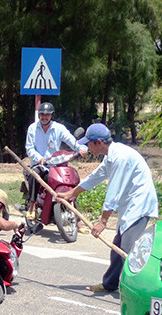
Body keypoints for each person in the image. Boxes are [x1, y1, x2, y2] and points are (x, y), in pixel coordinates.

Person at [57, 123, 158, 292]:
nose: (87, 147)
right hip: (130, 205)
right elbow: (95, 177)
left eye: (88, 143)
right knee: (117, 246)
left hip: (140, 205)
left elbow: (114, 191)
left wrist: (103, 222)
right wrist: (71, 193)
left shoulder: (120, 157)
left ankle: (138, 290)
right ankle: (110, 284)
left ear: (98, 142)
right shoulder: (111, 156)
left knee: (127, 249)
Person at [25, 102, 88, 221]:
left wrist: (80, 149)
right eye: (42, 114)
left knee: (71, 180)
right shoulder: (33, 128)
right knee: (35, 175)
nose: (44, 117)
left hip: (55, 165)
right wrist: (40, 159)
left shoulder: (59, 128)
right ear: (39, 115)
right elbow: (29, 148)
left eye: (47, 115)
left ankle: (76, 218)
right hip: (39, 165)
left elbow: (71, 140)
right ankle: (32, 205)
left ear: (52, 115)